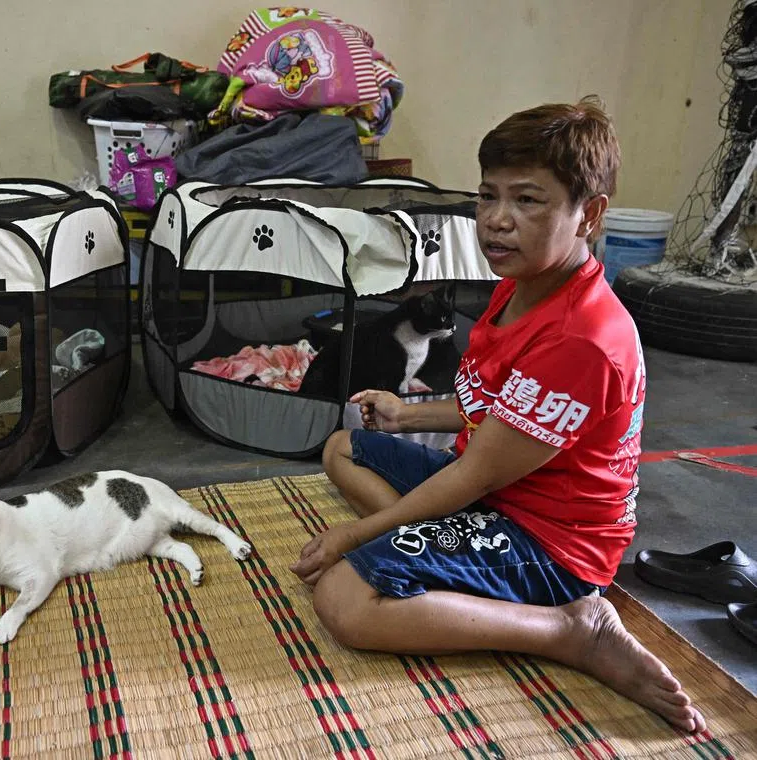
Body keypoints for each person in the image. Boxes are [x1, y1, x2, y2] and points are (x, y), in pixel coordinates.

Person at [289, 96, 704, 733]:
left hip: (549, 541)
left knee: (346, 597)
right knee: (344, 447)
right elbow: (490, 410)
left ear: (588, 214)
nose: (496, 221)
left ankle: (568, 629)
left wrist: (353, 536)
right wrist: (406, 416)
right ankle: (445, 558)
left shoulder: (580, 338)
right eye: (488, 197)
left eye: (527, 200)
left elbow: (477, 474)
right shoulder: (520, 287)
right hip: (496, 491)